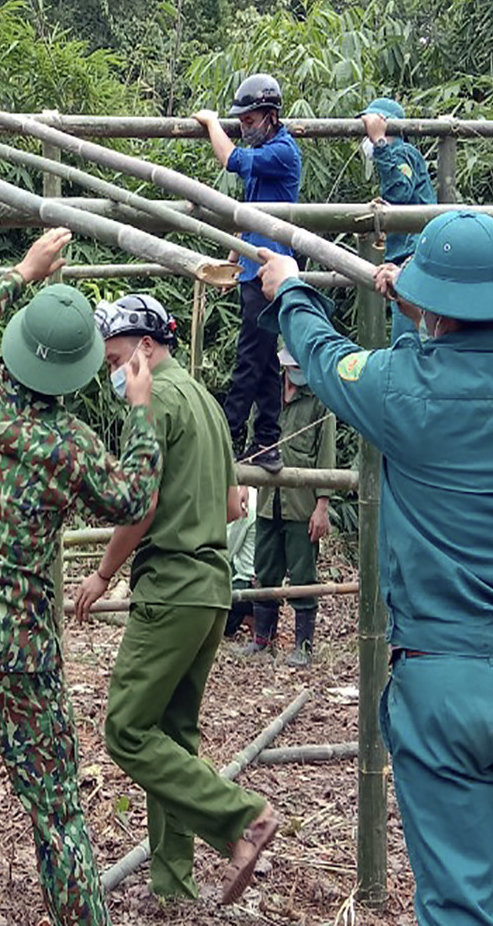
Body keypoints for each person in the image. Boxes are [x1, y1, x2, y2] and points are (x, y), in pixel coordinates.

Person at [258, 211, 493, 925]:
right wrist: (425, 309)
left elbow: (325, 356)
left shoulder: (400, 389)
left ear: (435, 307)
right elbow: (461, 365)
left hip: (446, 680)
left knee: (458, 905)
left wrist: (289, 291)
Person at [0, 227, 160, 926]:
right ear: (78, 371)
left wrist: (24, 269)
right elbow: (135, 499)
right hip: (25, 657)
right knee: (57, 816)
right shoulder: (70, 446)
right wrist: (139, 415)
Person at [71, 293, 281, 907]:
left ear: (144, 347)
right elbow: (232, 505)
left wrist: (103, 573)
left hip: (171, 587)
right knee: (172, 735)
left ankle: (241, 816)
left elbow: (143, 502)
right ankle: (174, 886)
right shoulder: (208, 402)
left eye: (114, 357)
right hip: (213, 590)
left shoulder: (156, 400)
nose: (112, 371)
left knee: (126, 729)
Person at [194, 73, 302, 472]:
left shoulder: (282, 153)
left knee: (249, 359)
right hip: (252, 266)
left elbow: (231, 160)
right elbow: (248, 213)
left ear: (271, 116)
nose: (244, 128)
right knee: (265, 360)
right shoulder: (266, 148)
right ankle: (267, 441)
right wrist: (233, 259)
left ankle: (228, 435)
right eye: (239, 122)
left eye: (250, 121)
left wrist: (210, 123)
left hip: (269, 272)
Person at [237, 348, 336, 667]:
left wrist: (322, 506)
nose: (297, 373)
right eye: (292, 367)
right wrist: (242, 482)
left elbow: (326, 456)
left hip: (302, 504)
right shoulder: (268, 396)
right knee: (265, 571)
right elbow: (254, 443)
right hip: (268, 500)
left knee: (303, 574)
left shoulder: (320, 402)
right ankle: (262, 640)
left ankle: (303, 646)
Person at [357, 97, 439, 341]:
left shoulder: (401, 152)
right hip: (405, 258)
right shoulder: (396, 155)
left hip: (413, 259)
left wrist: (380, 142)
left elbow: (400, 191)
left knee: (409, 339)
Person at [223, 486, 258, 639]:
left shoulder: (242, 500)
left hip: (248, 580)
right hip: (250, 573)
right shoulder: (253, 493)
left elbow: (226, 550)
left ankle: (246, 618)